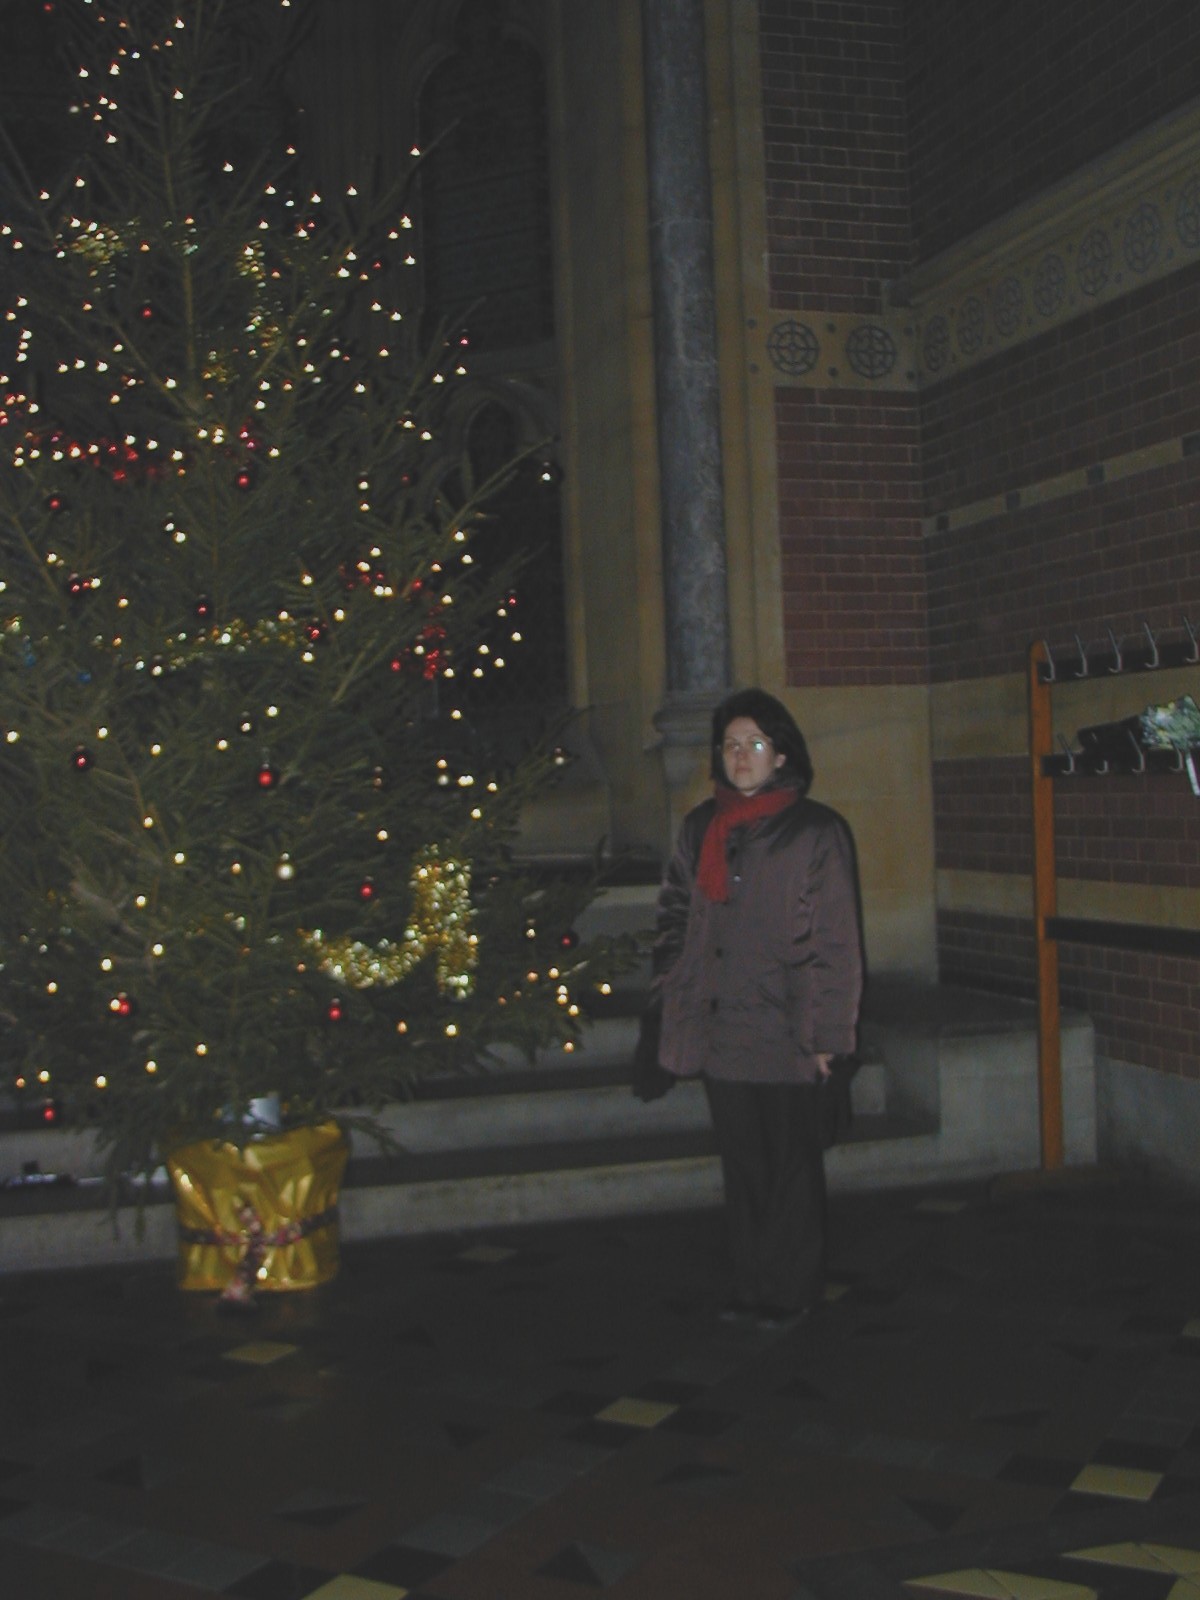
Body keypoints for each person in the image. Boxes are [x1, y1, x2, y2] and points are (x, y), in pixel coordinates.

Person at [643, 688, 863, 1330]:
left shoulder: (816, 832)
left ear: (781, 754)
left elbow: (837, 941)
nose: (741, 757)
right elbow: (674, 918)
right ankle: (751, 1284)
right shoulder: (701, 827)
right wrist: (671, 1001)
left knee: (792, 1168)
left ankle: (790, 1291)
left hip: (788, 1030)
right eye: (731, 746)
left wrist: (830, 1037)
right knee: (743, 1169)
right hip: (723, 1029)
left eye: (755, 744)